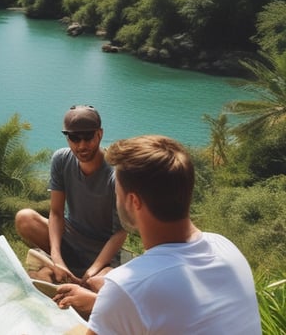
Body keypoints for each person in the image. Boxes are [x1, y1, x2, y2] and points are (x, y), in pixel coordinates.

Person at [56, 135, 261, 334]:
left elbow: (142, 294)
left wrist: (112, 299)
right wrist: (103, 302)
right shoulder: (226, 248)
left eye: (117, 195)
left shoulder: (127, 288)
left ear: (133, 202)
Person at [15, 105, 126, 285]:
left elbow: (120, 232)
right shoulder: (61, 159)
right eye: (74, 138)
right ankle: (60, 267)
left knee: (102, 285)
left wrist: (93, 270)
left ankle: (73, 276)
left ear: (100, 134)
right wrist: (57, 258)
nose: (81, 145)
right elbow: (56, 213)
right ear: (67, 138)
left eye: (88, 137)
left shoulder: (115, 175)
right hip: (70, 238)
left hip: (101, 250)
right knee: (24, 218)